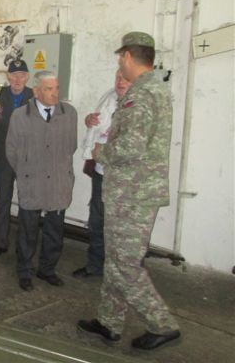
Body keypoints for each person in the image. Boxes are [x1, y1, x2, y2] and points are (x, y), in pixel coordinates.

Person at [77, 32, 181, 350]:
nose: (119, 67)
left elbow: (131, 147)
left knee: (124, 264)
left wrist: (101, 152)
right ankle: (109, 321)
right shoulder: (153, 89)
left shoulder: (143, 93)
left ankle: (162, 324)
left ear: (126, 57)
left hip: (133, 194)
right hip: (132, 191)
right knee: (116, 260)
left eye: (119, 59)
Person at [5, 71, 77, 291]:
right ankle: (25, 271)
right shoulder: (20, 116)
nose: (54, 93)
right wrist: (26, 171)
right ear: (36, 91)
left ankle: (47, 270)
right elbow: (11, 150)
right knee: (27, 230)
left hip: (58, 181)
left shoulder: (69, 113)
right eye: (48, 89)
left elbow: (71, 146)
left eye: (56, 88)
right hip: (32, 181)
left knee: (54, 231)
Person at [72, 69, 130, 278]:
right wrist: (89, 120)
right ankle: (95, 265)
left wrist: (102, 151)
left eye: (125, 78)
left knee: (121, 227)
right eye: (117, 77)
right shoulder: (109, 97)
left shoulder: (139, 105)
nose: (120, 81)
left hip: (123, 178)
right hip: (101, 172)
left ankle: (120, 274)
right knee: (97, 221)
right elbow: (99, 126)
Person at [0, 60, 33, 257]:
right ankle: (1, 242)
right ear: (8, 77)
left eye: (22, 75)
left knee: (26, 203)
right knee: (2, 201)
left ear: (27, 77)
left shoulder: (34, 97)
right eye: (14, 75)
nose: (17, 79)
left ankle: (23, 245)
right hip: (3, 157)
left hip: (26, 159)